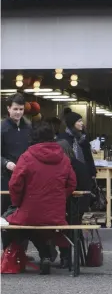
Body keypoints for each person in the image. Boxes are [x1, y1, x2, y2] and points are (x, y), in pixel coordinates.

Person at [2, 122, 76, 274]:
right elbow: (72, 183)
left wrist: (18, 202)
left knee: (8, 220)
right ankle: (46, 256)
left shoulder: (27, 157)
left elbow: (14, 184)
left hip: (30, 212)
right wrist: (60, 197)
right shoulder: (63, 158)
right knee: (39, 225)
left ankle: (13, 257)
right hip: (56, 215)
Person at [1, 93, 32, 214]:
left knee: (24, 211)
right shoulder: (1, 128)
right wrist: (6, 163)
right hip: (5, 177)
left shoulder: (29, 127)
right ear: (8, 108)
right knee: (6, 211)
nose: (18, 112)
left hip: (26, 176)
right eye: (15, 109)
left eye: (21, 109)